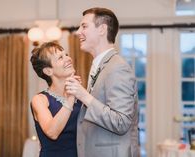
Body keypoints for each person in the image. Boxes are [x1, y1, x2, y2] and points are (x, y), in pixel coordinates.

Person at [65, 7, 139, 157]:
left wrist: (84, 95)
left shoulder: (118, 67)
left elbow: (121, 122)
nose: (78, 32)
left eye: (84, 26)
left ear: (102, 29)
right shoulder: (101, 65)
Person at [30, 42, 82, 157]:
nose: (68, 59)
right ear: (48, 71)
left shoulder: (81, 95)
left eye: (66, 54)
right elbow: (52, 132)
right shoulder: (40, 100)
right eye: (60, 58)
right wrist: (70, 98)